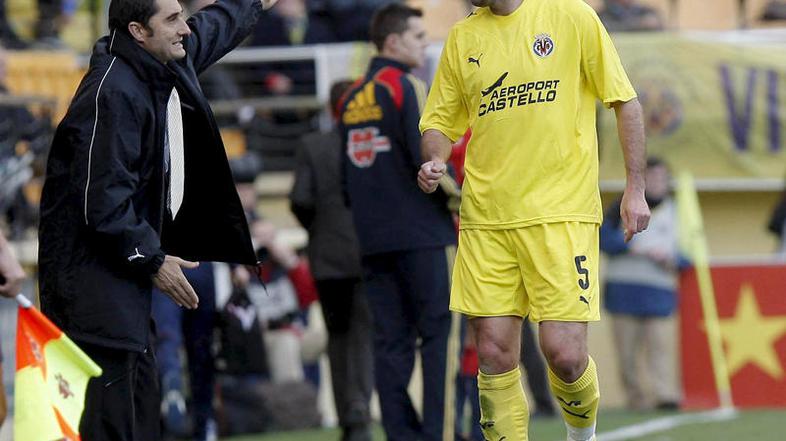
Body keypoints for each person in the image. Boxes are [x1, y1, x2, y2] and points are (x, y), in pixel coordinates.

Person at [37, 0, 279, 439]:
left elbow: (211, 28)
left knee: (143, 416)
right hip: (90, 292)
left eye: (182, 15)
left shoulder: (161, 60)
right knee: (108, 424)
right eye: (171, 19)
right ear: (137, 31)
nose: (184, 28)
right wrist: (152, 258)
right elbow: (103, 199)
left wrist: (255, 3)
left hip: (124, 288)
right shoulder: (110, 92)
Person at [417, 0, 650, 439]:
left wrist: (634, 189)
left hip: (560, 216)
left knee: (564, 355)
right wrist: (434, 160)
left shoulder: (571, 15)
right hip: (487, 219)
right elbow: (439, 123)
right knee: (493, 353)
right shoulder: (464, 37)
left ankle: (582, 436)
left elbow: (625, 101)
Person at [339, 4, 461, 441]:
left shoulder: (351, 96)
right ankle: (437, 434)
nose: (424, 42)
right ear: (392, 43)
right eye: (416, 36)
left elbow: (344, 182)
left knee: (390, 344)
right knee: (438, 341)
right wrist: (464, 200)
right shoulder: (406, 85)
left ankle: (399, 435)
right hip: (424, 237)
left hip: (373, 239)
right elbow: (429, 158)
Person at [290, 79, 374, 441]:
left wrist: (320, 230)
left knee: (338, 338)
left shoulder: (313, 144)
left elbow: (300, 199)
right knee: (364, 338)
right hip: (369, 255)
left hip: (327, 260)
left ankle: (347, 419)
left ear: (329, 108)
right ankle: (361, 412)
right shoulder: (371, 144)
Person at [601, 157, 683, 411]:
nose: (658, 183)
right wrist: (638, 248)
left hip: (660, 290)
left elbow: (691, 251)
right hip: (624, 289)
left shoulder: (678, 211)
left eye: (662, 178)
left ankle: (665, 395)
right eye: (652, 178)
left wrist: (671, 258)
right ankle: (636, 398)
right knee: (627, 352)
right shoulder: (619, 207)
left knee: (661, 347)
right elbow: (603, 241)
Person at [598, 0, 663, 32]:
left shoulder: (645, 11)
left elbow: (658, 26)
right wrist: (639, 24)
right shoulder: (603, 15)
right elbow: (609, 28)